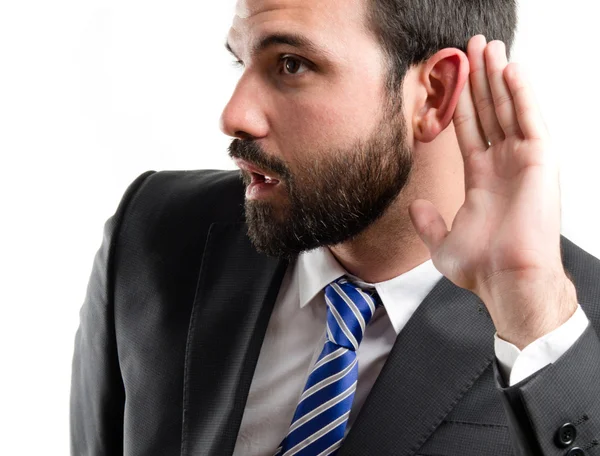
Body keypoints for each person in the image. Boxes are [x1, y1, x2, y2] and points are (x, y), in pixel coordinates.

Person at [70, 0, 600, 455]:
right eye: (242, 61)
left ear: (434, 94)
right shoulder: (154, 233)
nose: (235, 115)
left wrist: (532, 314)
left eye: (292, 64)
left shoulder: (572, 335)